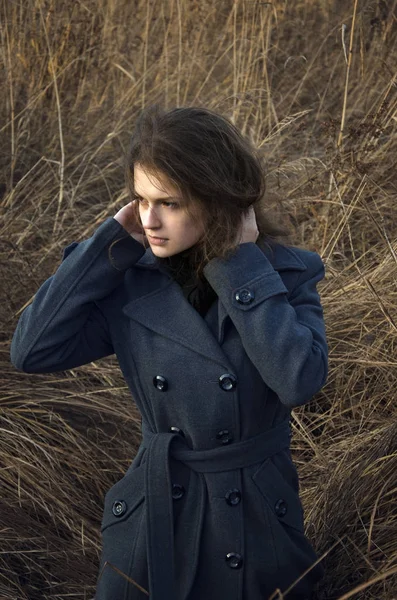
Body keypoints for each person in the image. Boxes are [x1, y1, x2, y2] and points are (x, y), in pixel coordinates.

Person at [10, 104, 328, 600]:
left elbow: (298, 379)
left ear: (217, 201)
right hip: (157, 510)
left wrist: (242, 267)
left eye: (171, 203)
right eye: (140, 200)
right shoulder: (130, 282)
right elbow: (31, 350)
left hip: (255, 512)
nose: (150, 219)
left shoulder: (283, 276)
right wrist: (105, 246)